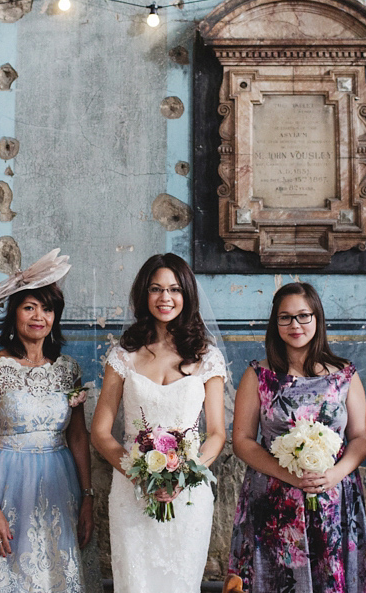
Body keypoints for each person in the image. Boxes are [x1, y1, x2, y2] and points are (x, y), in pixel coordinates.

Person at [0, 250, 98, 593]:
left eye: (47, 309)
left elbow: (78, 437)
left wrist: (87, 496)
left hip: (61, 485)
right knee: (8, 571)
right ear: (14, 312)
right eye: (29, 307)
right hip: (4, 485)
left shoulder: (68, 369)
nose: (38, 316)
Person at [91, 253, 227, 593]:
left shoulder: (207, 357)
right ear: (144, 295)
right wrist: (140, 472)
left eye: (174, 289)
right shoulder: (123, 355)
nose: (165, 298)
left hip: (189, 494)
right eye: (156, 289)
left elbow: (216, 434)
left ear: (187, 295)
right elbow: (100, 432)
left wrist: (185, 475)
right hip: (132, 489)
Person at [227, 282, 366, 593]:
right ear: (275, 323)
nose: (295, 325)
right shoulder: (258, 375)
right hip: (274, 499)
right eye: (285, 317)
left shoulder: (344, 375)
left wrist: (334, 474)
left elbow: (361, 438)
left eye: (303, 316)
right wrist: (290, 477)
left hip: (333, 496)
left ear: (317, 319)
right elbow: (242, 440)